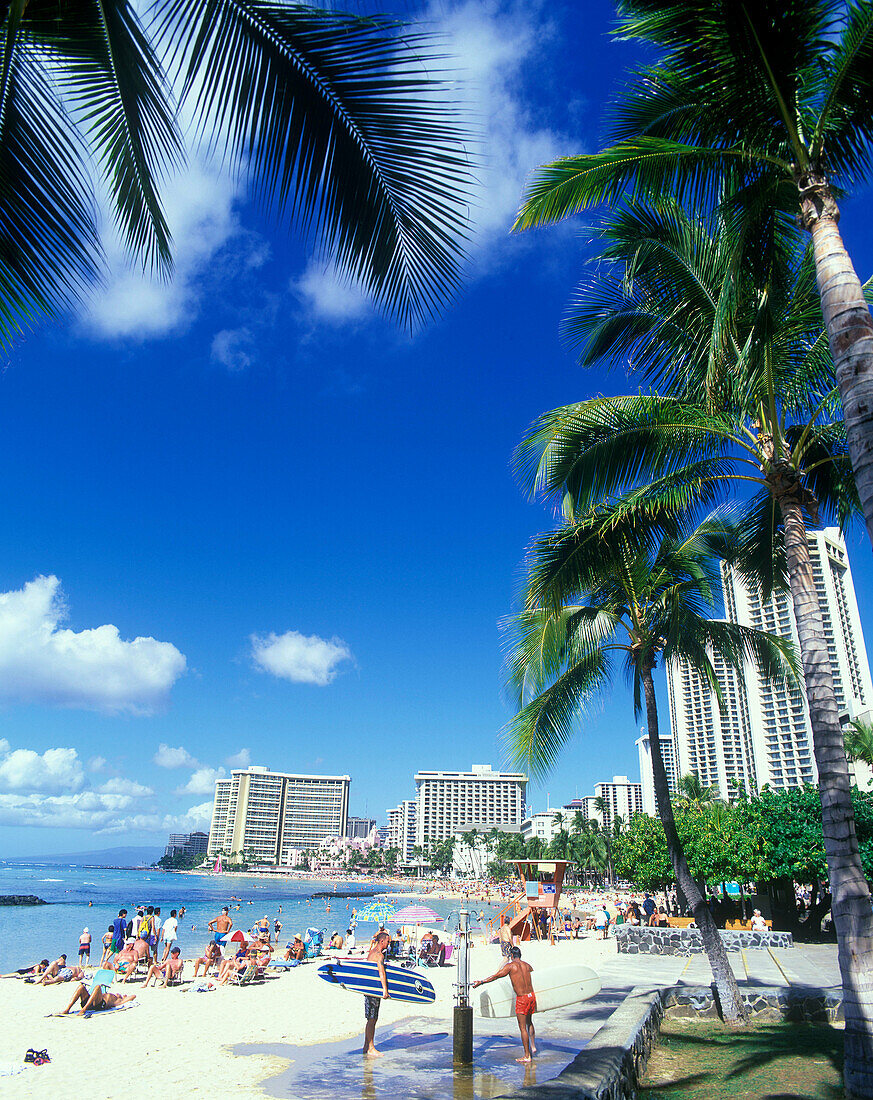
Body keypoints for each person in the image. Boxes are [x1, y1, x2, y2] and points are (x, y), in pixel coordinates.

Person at [473, 946, 537, 1063]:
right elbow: (533, 974)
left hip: (522, 998)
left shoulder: (511, 966)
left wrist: (481, 982)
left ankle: (527, 1056)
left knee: (522, 1028)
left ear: (512, 956)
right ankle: (533, 1047)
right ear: (520, 955)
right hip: (531, 996)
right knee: (529, 1022)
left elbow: (496, 976)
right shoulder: (527, 966)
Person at [362, 931, 391, 1057]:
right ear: (382, 941)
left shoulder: (371, 952)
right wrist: (385, 990)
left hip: (368, 989)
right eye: (388, 941)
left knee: (370, 1019)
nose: (389, 943)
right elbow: (381, 973)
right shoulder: (379, 955)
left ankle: (366, 1046)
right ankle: (371, 1048)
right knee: (373, 1019)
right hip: (374, 990)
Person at [61, 980, 136, 1016]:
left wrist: (124, 997)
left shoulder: (119, 1000)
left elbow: (133, 996)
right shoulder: (108, 995)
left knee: (98, 987)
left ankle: (84, 1009)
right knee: (81, 987)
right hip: (91, 1002)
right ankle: (67, 1009)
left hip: (98, 1005)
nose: (118, 993)